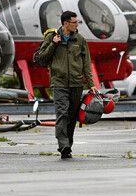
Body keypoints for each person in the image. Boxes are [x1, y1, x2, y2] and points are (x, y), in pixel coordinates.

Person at [34, 10, 98, 159]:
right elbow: (42, 58)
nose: (77, 25)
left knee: (72, 116)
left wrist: (91, 84)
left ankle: (68, 144)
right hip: (59, 83)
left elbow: (86, 64)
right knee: (62, 113)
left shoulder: (80, 40)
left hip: (76, 83)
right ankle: (63, 146)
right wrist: (53, 45)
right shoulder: (51, 37)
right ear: (65, 23)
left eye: (77, 22)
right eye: (74, 22)